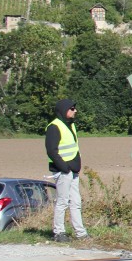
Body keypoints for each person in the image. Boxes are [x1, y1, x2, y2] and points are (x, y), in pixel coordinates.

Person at [45, 98, 89, 242]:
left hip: (72, 170)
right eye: (72, 108)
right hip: (63, 171)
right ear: (64, 110)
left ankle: (80, 233)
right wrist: (64, 168)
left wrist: (75, 166)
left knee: (76, 202)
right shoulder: (54, 127)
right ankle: (59, 232)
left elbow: (74, 147)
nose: (75, 110)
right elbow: (52, 151)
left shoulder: (71, 125)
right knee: (62, 202)